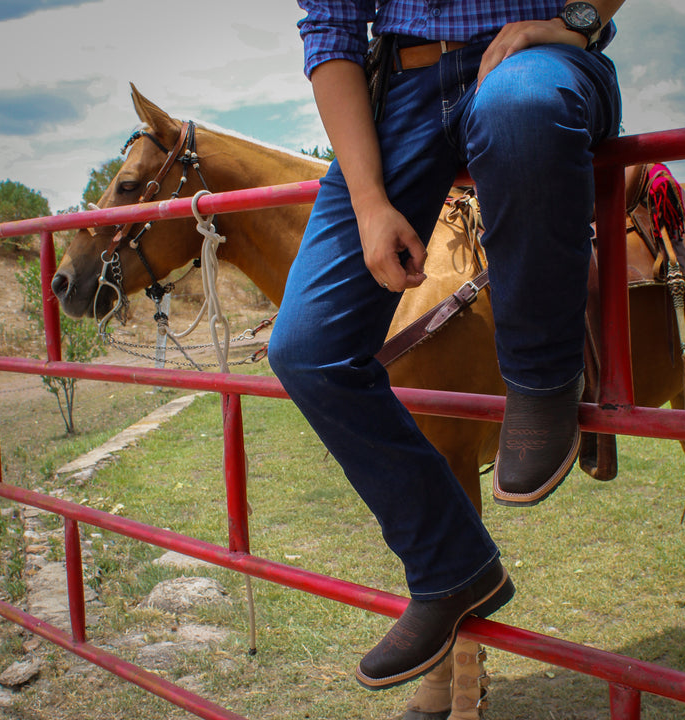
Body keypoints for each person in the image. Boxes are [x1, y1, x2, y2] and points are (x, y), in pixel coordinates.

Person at [268, 0, 623, 691]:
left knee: (520, 112)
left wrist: (577, 19)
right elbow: (331, 30)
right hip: (400, 87)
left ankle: (544, 379)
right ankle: (452, 567)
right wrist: (370, 203)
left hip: (533, 61)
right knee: (306, 348)